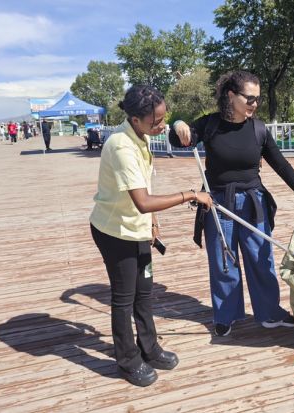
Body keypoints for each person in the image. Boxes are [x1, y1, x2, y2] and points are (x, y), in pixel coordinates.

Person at [169, 70, 294, 337]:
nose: (254, 104)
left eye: (257, 99)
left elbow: (280, 163)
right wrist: (179, 124)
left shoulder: (259, 129)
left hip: (253, 203)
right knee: (223, 261)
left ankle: (269, 313)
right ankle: (226, 315)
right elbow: (182, 138)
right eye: (249, 98)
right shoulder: (211, 124)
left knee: (261, 259)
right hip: (217, 204)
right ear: (231, 96)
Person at [89, 85, 213, 387]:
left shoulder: (142, 135)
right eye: (156, 121)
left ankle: (150, 347)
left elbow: (145, 194)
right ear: (134, 119)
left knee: (144, 292)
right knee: (124, 297)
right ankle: (128, 359)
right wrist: (191, 195)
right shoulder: (121, 146)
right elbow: (142, 200)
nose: (162, 125)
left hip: (138, 227)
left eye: (164, 117)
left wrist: (153, 224)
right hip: (114, 231)